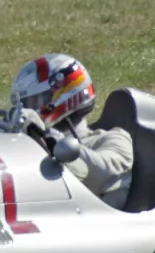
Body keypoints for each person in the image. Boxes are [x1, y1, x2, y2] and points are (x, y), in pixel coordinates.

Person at [13, 54, 134, 209]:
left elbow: (101, 174)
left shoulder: (114, 139)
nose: (27, 110)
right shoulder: (29, 141)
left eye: (34, 102)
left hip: (92, 225)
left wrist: (51, 140)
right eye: (23, 105)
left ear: (63, 96)